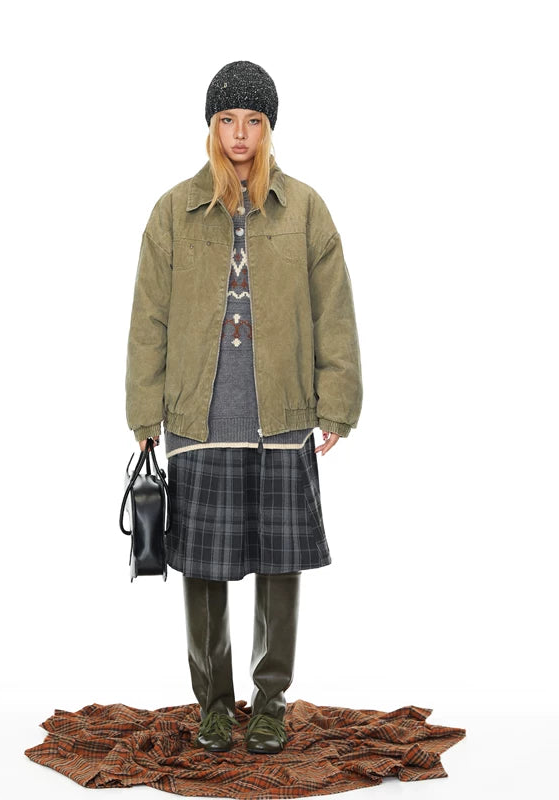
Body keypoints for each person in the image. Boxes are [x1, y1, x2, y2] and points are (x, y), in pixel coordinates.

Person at [125, 61, 362, 755]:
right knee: (202, 567)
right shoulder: (173, 211)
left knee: (280, 566)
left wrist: (337, 402)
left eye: (253, 121)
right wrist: (143, 414)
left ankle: (269, 703)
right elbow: (148, 318)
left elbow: (334, 311)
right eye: (227, 120)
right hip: (197, 416)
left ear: (269, 128)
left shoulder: (305, 208)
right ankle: (213, 705)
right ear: (211, 126)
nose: (239, 134)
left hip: (282, 414)